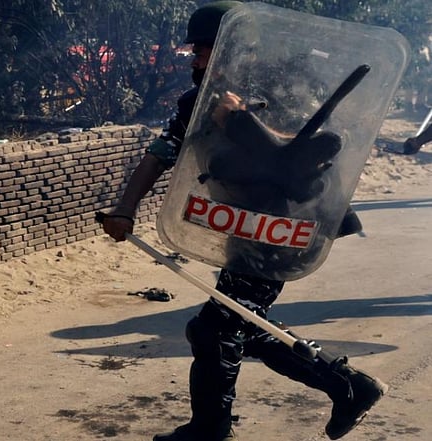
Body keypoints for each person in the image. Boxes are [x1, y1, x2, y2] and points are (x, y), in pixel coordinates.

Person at [100, 3, 387, 441]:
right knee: (238, 324)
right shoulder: (199, 103)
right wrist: (125, 207)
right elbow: (160, 154)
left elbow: (317, 149)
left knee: (216, 327)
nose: (195, 59)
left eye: (203, 49)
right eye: (195, 51)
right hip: (242, 226)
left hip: (286, 229)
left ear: (234, 49)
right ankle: (350, 388)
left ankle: (212, 429)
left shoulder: (285, 91)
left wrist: (241, 121)